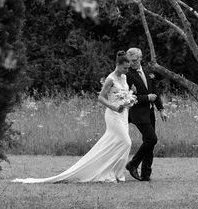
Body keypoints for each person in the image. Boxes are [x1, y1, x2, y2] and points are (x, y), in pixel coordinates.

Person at [13, 51, 135, 183]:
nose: (127, 70)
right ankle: (108, 172)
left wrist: (130, 98)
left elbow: (124, 93)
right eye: (125, 68)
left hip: (123, 114)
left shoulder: (124, 77)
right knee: (126, 142)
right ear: (117, 64)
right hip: (113, 115)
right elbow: (100, 98)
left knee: (117, 143)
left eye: (128, 68)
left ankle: (116, 173)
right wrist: (114, 107)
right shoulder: (110, 79)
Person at [124, 47, 166, 182]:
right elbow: (129, 98)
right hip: (138, 113)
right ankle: (133, 164)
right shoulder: (128, 75)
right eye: (130, 61)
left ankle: (146, 173)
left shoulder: (148, 73)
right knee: (151, 139)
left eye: (135, 60)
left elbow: (155, 92)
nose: (132, 63)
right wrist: (147, 98)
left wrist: (161, 109)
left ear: (140, 58)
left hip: (150, 113)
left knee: (149, 142)